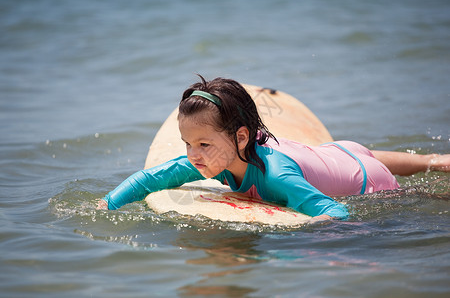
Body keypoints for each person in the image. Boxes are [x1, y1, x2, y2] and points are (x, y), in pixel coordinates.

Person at [97, 76, 449, 221]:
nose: (193, 154)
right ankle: (434, 159)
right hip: (337, 152)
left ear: (241, 137)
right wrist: (107, 203)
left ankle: (433, 168)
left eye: (203, 144)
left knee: (425, 195)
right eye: (188, 144)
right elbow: (149, 179)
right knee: (407, 160)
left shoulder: (276, 176)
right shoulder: (210, 159)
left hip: (369, 183)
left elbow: (337, 213)